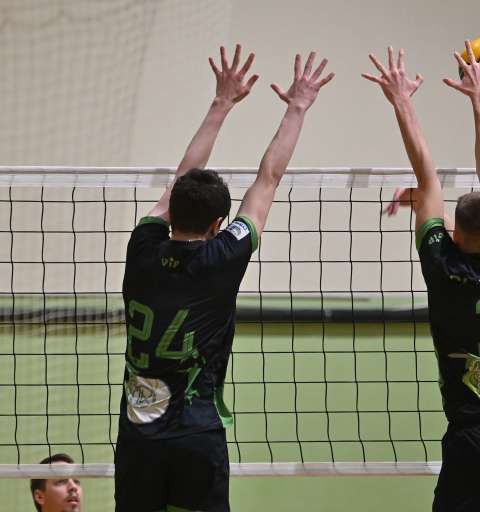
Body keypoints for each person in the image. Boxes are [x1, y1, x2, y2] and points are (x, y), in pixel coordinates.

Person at [115, 44, 334, 511]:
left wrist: (221, 103)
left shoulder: (142, 248)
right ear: (218, 224)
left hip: (139, 435)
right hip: (196, 433)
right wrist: (297, 107)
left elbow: (180, 179)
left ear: (171, 210)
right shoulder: (223, 255)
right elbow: (268, 179)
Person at [364, 42, 480, 511]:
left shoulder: (443, 267)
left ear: (456, 233)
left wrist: (402, 101)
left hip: (473, 440)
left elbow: (425, 179)